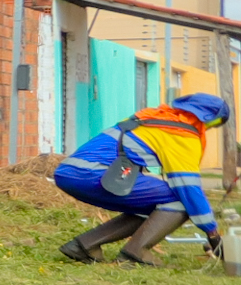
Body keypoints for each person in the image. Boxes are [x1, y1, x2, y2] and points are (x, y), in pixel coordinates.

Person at [56, 91, 228, 267]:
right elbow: (189, 189)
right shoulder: (182, 134)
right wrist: (212, 233)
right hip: (92, 174)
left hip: (69, 172)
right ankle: (136, 252)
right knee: (180, 200)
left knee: (153, 203)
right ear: (209, 120)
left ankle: (84, 246)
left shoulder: (151, 117)